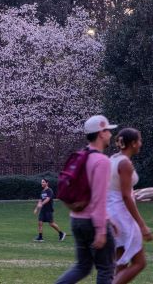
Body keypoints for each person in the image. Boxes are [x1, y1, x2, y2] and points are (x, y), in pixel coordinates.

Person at [55, 115, 117, 284]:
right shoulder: (102, 161)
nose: (111, 134)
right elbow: (99, 199)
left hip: (77, 221)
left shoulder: (81, 156)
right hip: (93, 222)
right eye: (108, 131)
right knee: (106, 268)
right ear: (101, 133)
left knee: (82, 266)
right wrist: (101, 230)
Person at [107, 128, 152, 284]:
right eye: (139, 140)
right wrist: (142, 225)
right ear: (132, 143)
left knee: (121, 263)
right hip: (121, 214)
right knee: (140, 263)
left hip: (113, 211)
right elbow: (126, 196)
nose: (141, 143)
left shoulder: (113, 159)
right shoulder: (125, 164)